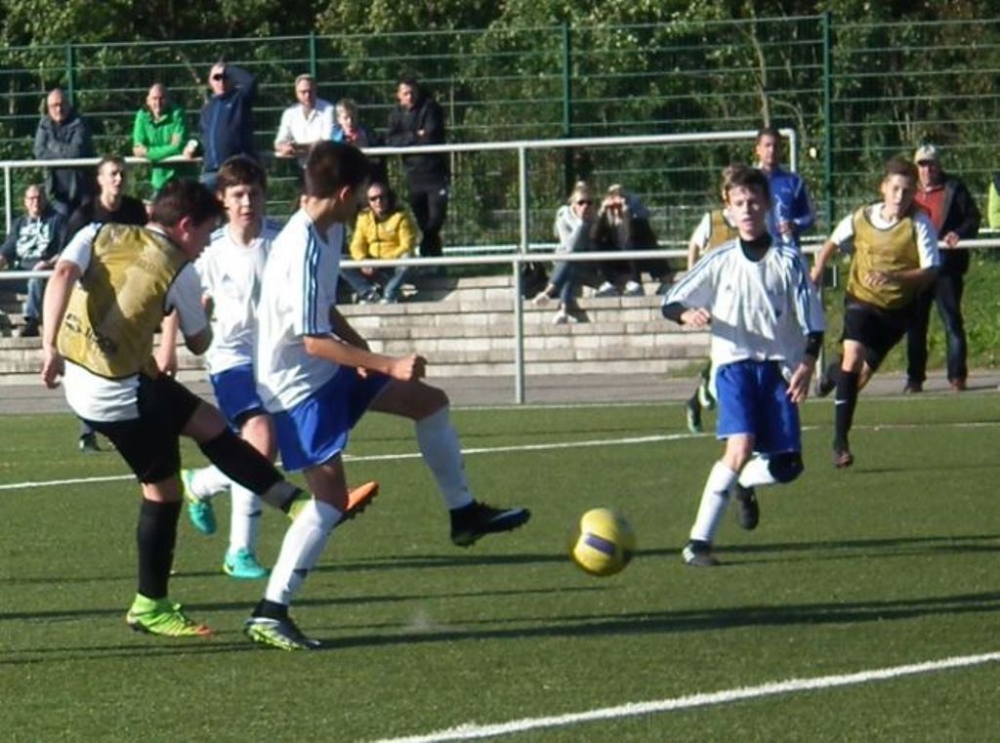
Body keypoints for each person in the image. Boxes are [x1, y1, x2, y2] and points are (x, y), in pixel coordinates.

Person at [39, 179, 373, 640]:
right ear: (185, 226)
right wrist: (202, 309)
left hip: (91, 375)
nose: (204, 246)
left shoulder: (99, 231)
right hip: (117, 393)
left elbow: (61, 274)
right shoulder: (182, 271)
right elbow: (201, 343)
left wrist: (49, 346)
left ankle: (292, 503)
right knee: (163, 492)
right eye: (205, 233)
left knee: (209, 424)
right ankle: (150, 605)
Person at [246, 141, 530, 650]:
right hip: (296, 388)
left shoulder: (329, 229)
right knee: (329, 502)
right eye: (360, 196)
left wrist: (365, 353)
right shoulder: (301, 246)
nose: (363, 204)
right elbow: (311, 339)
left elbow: (322, 310)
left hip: (325, 368)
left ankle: (464, 514)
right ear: (345, 194)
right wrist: (387, 365)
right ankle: (271, 611)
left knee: (429, 402)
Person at [662, 165, 825, 568]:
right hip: (733, 365)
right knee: (740, 447)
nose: (747, 209)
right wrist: (686, 314)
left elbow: (814, 321)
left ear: (766, 204)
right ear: (729, 210)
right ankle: (698, 543)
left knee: (788, 466)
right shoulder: (719, 260)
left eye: (753, 201)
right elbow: (670, 301)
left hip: (776, 370)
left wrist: (807, 363)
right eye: (739, 203)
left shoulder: (789, 260)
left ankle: (745, 483)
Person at [811, 157, 940, 468]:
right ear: (883, 187)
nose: (900, 196)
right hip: (860, 299)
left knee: (859, 375)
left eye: (907, 191)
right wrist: (817, 270)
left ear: (914, 193)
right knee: (853, 357)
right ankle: (840, 443)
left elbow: (930, 271)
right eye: (895, 188)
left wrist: (895, 277)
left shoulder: (919, 224)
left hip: (896, 310)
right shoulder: (861, 217)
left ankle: (832, 374)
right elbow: (832, 242)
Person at [63, 156, 150, 453]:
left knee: (128, 360)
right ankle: (88, 430)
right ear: (100, 180)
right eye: (113, 174)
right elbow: (68, 259)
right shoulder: (85, 215)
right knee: (92, 361)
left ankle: (126, 423)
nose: (118, 179)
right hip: (91, 296)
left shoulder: (135, 211)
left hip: (127, 297)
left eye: (122, 174)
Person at [904, 144, 981, 393]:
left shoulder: (954, 188)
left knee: (952, 322)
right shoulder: (906, 190)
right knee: (915, 326)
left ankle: (957, 377)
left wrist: (958, 233)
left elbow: (973, 218)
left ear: (939, 165)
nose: (927, 170)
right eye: (922, 165)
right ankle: (914, 379)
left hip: (947, 268)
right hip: (917, 269)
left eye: (931, 164)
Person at [682, 165, 742, 434]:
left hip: (742, 296)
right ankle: (708, 387)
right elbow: (694, 245)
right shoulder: (713, 220)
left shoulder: (751, 218)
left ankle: (697, 399)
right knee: (726, 345)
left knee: (734, 347)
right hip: (716, 296)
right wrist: (692, 279)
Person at [385, 75, 449, 262]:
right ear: (398, 95)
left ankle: (428, 256)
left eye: (413, 92)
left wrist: (409, 138)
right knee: (423, 222)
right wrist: (415, 135)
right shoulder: (396, 114)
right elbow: (390, 140)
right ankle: (435, 262)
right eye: (405, 93)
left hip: (436, 173)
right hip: (413, 175)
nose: (410, 96)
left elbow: (430, 135)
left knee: (435, 221)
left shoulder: (430, 108)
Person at [0, 185, 66, 338]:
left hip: (45, 274)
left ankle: (32, 322)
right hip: (21, 274)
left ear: (45, 200)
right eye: (31, 198)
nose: (35, 202)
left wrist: (48, 263)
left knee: (36, 275)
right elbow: (7, 250)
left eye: (39, 198)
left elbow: (66, 251)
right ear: (25, 201)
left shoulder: (57, 221)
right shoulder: (19, 224)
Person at [341, 182, 417, 305]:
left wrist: (383, 261)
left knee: (408, 259)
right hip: (371, 266)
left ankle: (389, 294)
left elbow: (406, 246)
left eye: (382, 197)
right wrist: (363, 260)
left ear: (389, 197)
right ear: (368, 201)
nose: (378, 201)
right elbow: (357, 244)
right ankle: (369, 294)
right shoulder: (363, 217)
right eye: (373, 198)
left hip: (394, 266)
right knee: (341, 261)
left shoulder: (401, 217)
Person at [532, 181, 594, 325]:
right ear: (573, 204)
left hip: (587, 264)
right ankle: (563, 310)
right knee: (570, 269)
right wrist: (580, 224)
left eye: (589, 202)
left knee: (569, 262)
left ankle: (548, 292)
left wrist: (584, 223)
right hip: (570, 263)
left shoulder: (594, 218)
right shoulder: (563, 217)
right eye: (581, 202)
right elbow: (569, 246)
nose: (585, 206)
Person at [592, 184, 670, 298]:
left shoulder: (636, 221)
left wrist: (627, 216)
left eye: (618, 206)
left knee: (637, 237)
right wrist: (602, 212)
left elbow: (630, 238)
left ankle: (636, 282)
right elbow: (594, 237)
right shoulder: (605, 221)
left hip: (636, 260)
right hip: (616, 260)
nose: (616, 211)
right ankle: (610, 283)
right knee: (596, 244)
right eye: (613, 207)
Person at [33, 88, 95, 216]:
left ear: (68, 105)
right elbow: (39, 151)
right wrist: (64, 155)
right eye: (54, 106)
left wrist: (52, 145)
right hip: (57, 191)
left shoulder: (80, 123)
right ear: (48, 108)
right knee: (60, 224)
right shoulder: (44, 124)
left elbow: (76, 152)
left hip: (82, 188)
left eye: (61, 104)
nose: (58, 109)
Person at [198, 61, 258, 190]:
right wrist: (194, 145)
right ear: (209, 81)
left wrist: (227, 69)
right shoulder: (208, 108)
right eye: (216, 78)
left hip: (236, 170)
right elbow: (203, 136)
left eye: (225, 77)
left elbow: (250, 82)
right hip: (211, 172)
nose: (221, 82)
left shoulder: (240, 99)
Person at [132, 83, 198, 197]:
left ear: (168, 100)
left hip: (183, 178)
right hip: (159, 181)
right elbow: (137, 148)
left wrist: (148, 152)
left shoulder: (178, 114)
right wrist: (167, 149)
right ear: (148, 100)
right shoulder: (142, 116)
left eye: (161, 99)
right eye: (154, 99)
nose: (158, 103)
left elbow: (177, 147)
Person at [755, 126, 815, 250]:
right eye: (767, 145)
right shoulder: (748, 181)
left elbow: (809, 216)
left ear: (781, 150)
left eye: (776, 146)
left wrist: (794, 225)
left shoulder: (794, 182)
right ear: (758, 149)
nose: (771, 150)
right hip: (757, 251)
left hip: (786, 251)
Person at [273, 74, 334, 163]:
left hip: (324, 164)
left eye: (310, 91)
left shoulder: (329, 110)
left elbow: (326, 144)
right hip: (298, 165)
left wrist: (298, 147)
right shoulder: (289, 113)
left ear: (316, 91)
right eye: (303, 92)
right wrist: (283, 147)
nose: (307, 95)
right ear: (296, 93)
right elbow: (279, 141)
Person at [332, 98, 386, 183]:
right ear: (339, 120)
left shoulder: (368, 134)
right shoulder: (334, 139)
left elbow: (377, 160)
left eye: (352, 117)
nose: (350, 121)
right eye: (346, 118)